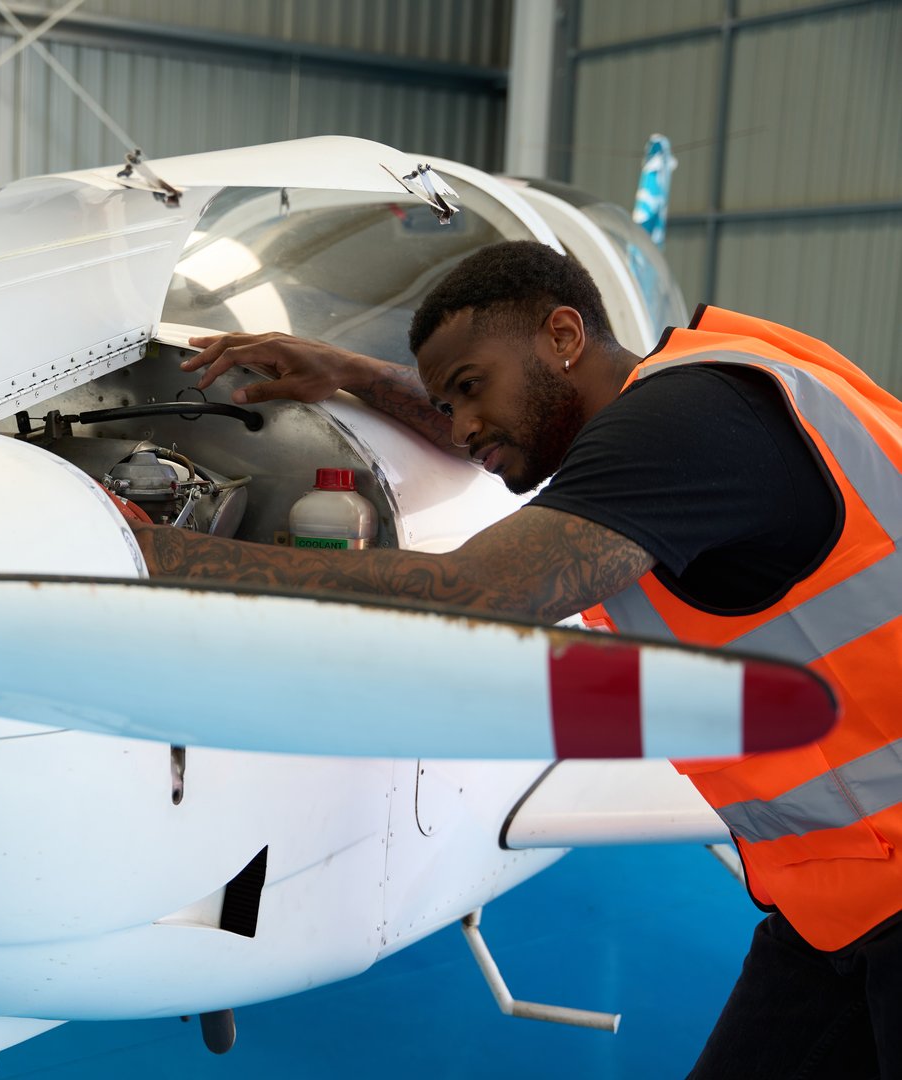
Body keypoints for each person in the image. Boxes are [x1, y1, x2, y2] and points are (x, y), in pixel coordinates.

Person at [132, 240, 902, 1078]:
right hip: (844, 899)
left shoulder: (690, 426)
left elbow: (475, 593)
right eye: (448, 402)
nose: (462, 428)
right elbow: (517, 439)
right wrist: (348, 372)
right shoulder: (706, 389)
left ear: (564, 335)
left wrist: (146, 556)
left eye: (470, 389)